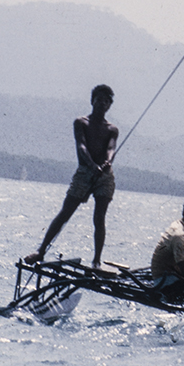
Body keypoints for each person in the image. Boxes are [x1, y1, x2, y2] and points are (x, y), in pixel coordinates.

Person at [24, 85, 118, 268]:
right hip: (85, 172)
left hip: (104, 176)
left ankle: (97, 261)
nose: (102, 104)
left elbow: (111, 148)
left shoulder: (112, 129)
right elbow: (81, 146)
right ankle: (41, 251)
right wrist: (92, 165)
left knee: (99, 217)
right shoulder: (81, 122)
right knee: (66, 212)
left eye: (106, 102)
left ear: (109, 105)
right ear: (92, 101)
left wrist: (107, 163)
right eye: (99, 100)